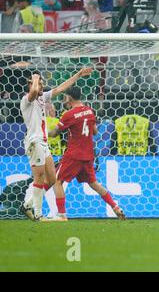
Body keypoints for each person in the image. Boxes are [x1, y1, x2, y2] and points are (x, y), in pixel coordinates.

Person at [19, 68, 92, 221]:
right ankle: (38, 214)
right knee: (39, 178)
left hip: (44, 143)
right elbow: (32, 92)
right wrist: (35, 78)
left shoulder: (42, 98)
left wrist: (78, 74)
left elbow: (60, 88)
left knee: (52, 179)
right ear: (31, 84)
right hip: (35, 141)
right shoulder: (27, 100)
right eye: (39, 83)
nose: (42, 85)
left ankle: (27, 205)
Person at [47, 87, 126, 221]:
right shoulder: (89, 111)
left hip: (73, 154)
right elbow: (94, 132)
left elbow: (54, 133)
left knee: (57, 181)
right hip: (88, 154)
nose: (64, 99)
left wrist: (41, 132)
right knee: (94, 183)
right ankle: (115, 207)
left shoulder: (68, 114)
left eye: (65, 97)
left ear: (69, 98)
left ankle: (61, 214)